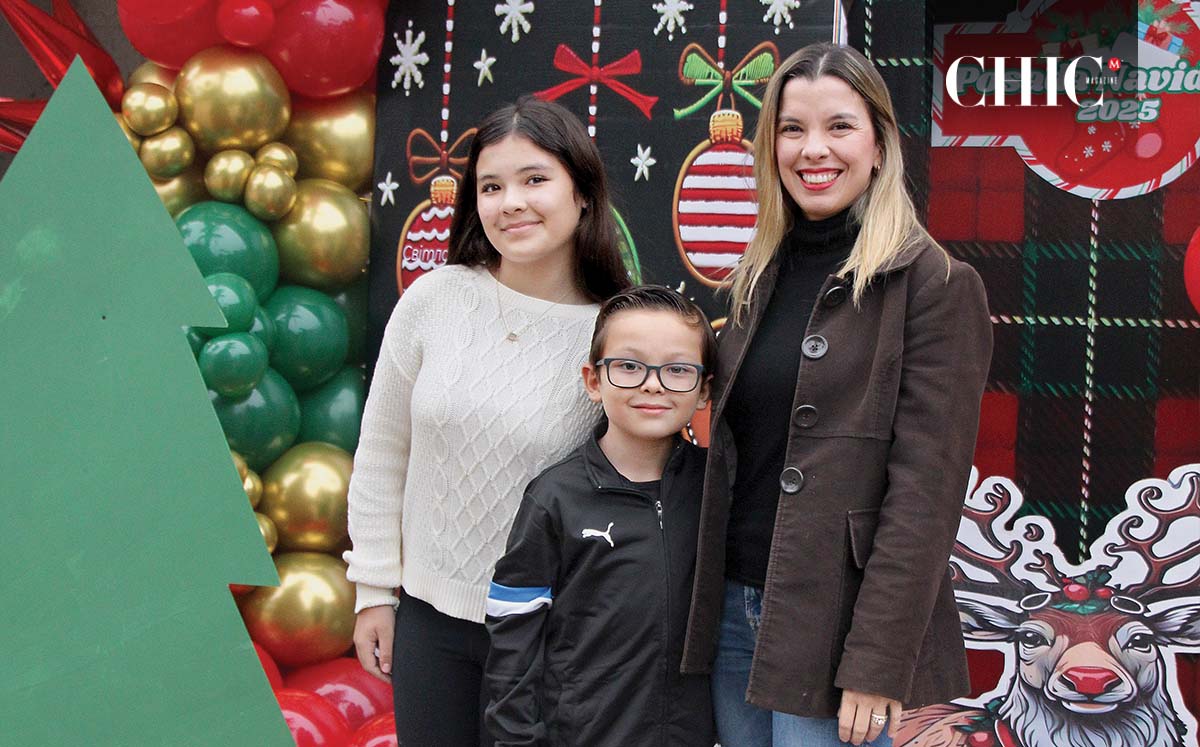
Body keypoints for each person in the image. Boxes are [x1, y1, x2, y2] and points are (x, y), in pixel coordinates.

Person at [679, 42, 993, 747]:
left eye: (839, 126)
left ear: (879, 145)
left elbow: (926, 499)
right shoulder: (755, 278)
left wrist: (879, 660)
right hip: (734, 613)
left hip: (839, 630)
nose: (813, 149)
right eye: (792, 128)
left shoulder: (935, 285)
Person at [344, 97, 631, 747]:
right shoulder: (435, 299)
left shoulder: (613, 334)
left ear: (583, 192)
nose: (511, 203)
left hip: (553, 638)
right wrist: (372, 589)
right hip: (428, 622)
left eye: (535, 180)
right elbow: (383, 450)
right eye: (491, 186)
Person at [484, 286, 718, 746]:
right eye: (629, 366)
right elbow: (513, 633)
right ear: (594, 380)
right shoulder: (556, 497)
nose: (653, 384)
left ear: (704, 389)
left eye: (677, 369)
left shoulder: (715, 487)